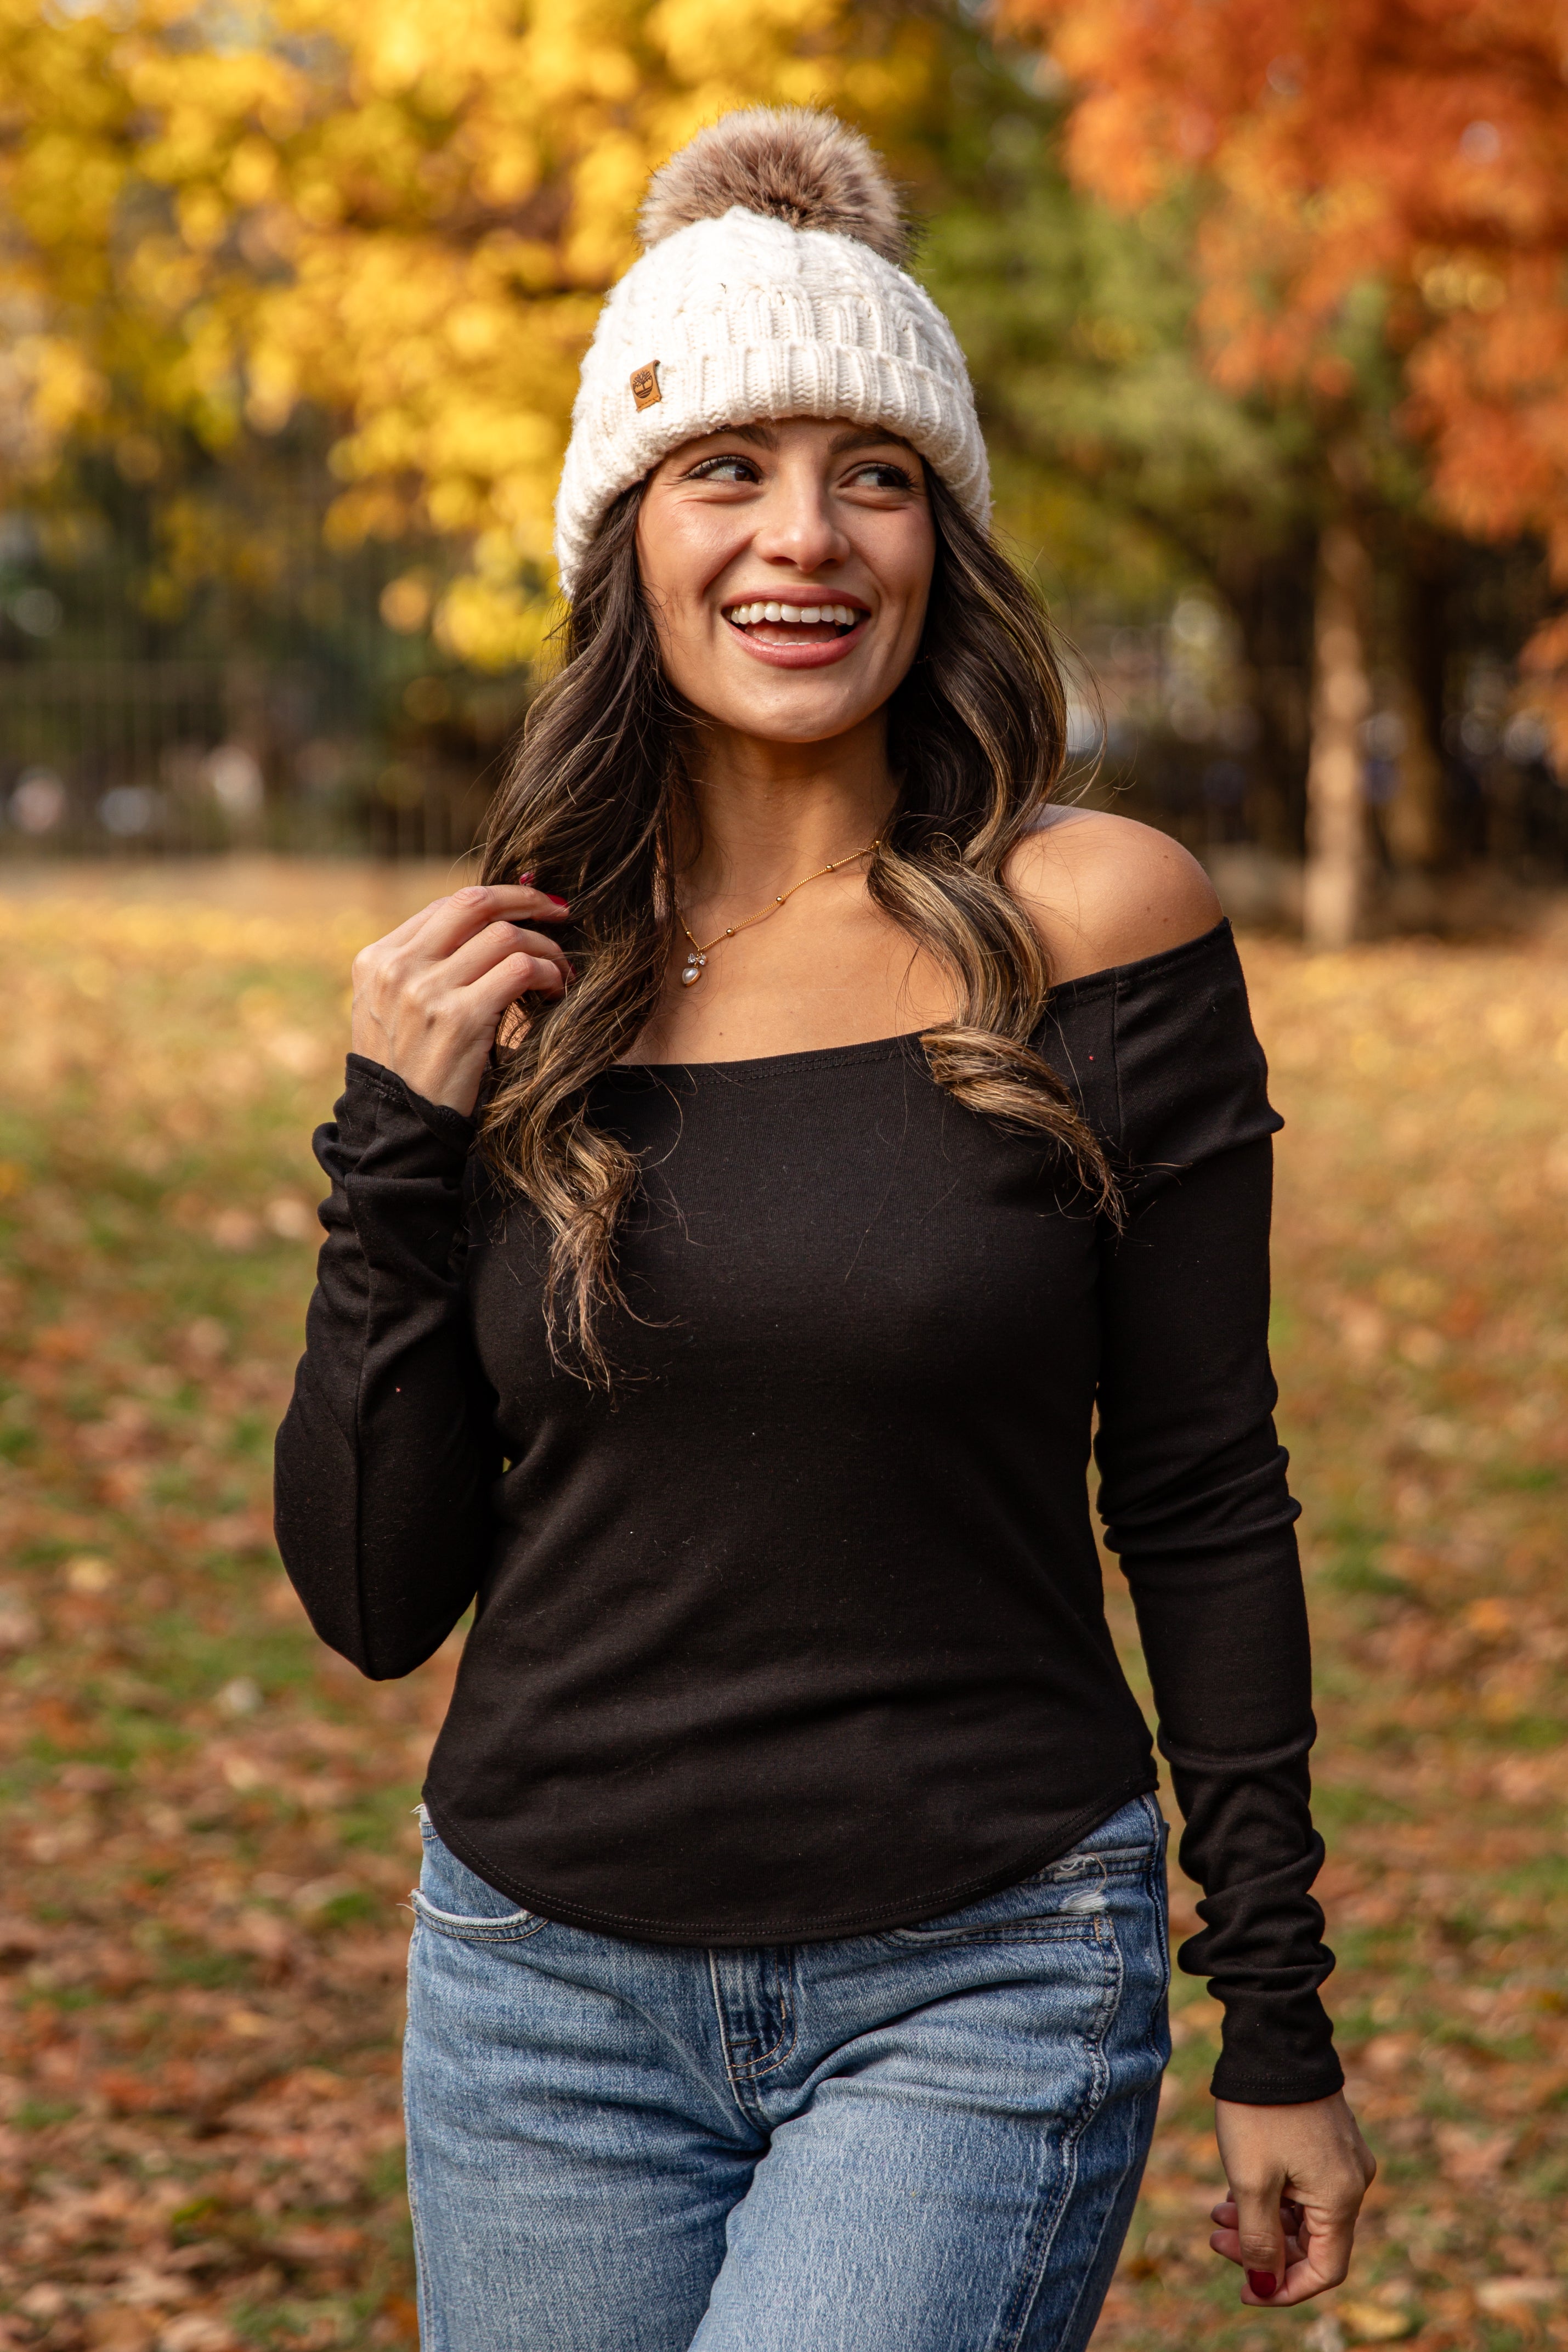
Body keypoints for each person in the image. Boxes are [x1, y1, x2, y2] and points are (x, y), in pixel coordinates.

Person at [274, 106, 1374, 2352]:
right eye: (727, 471)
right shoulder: (522, 983)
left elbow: (1198, 1477)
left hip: (975, 1971)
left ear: (941, 535)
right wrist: (393, 1144)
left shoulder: (1096, 926)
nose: (804, 539)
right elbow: (378, 1598)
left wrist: (1274, 2003)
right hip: (538, 1997)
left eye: (871, 473)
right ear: (627, 537)